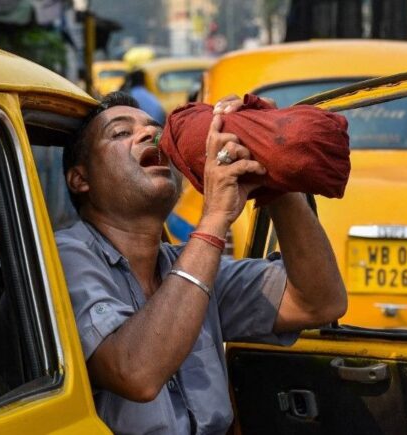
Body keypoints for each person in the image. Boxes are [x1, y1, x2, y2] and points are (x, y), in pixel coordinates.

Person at [56, 91, 347, 434]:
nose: (149, 134)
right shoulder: (67, 255)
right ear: (81, 179)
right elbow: (135, 372)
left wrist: (273, 171)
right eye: (120, 133)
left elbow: (319, 301)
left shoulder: (190, 263)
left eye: (155, 128)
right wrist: (215, 219)